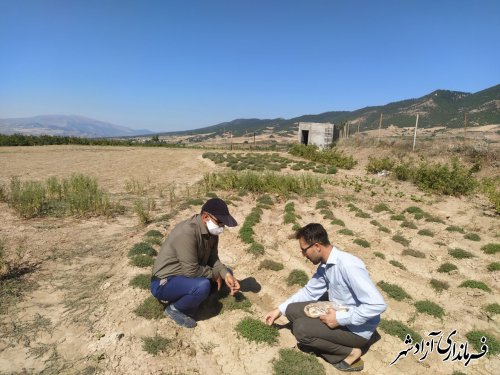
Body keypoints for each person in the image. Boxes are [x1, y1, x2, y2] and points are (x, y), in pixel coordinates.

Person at [264, 223, 386, 372]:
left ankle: (351, 352)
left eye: (304, 250)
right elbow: (309, 291)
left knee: (301, 329)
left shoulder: (348, 265)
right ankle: (321, 332)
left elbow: (377, 305)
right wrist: (279, 310)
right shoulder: (325, 266)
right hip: (339, 312)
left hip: (356, 329)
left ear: (317, 246)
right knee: (291, 310)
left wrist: (339, 319)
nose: (303, 255)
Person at [151, 198, 240, 328]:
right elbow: (191, 271)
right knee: (202, 286)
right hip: (164, 282)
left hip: (185, 276)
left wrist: (225, 274)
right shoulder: (187, 232)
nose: (222, 227)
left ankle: (196, 298)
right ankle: (175, 309)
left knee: (227, 273)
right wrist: (215, 274)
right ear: (205, 217)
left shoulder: (211, 232)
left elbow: (213, 259)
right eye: (219, 222)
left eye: (223, 224)